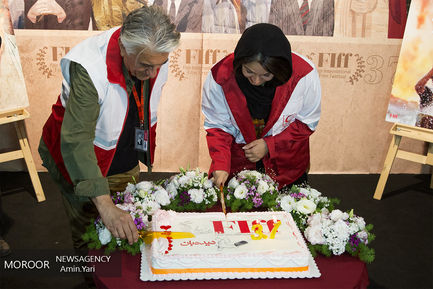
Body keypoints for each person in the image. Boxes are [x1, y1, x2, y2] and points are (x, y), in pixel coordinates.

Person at [38, 5, 180, 250]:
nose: (154, 72)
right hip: (78, 157)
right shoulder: (89, 66)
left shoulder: (153, 53)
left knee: (127, 226)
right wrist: (104, 204)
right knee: (88, 231)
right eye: (147, 65)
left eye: (161, 64)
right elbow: (77, 139)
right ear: (124, 48)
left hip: (121, 152)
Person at [201, 23, 321, 189]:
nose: (256, 81)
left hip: (286, 164)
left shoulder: (304, 74)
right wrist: (221, 162)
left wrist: (270, 145)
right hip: (239, 161)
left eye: (266, 75)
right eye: (249, 71)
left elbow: (307, 123)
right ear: (240, 62)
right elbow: (218, 125)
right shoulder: (221, 76)